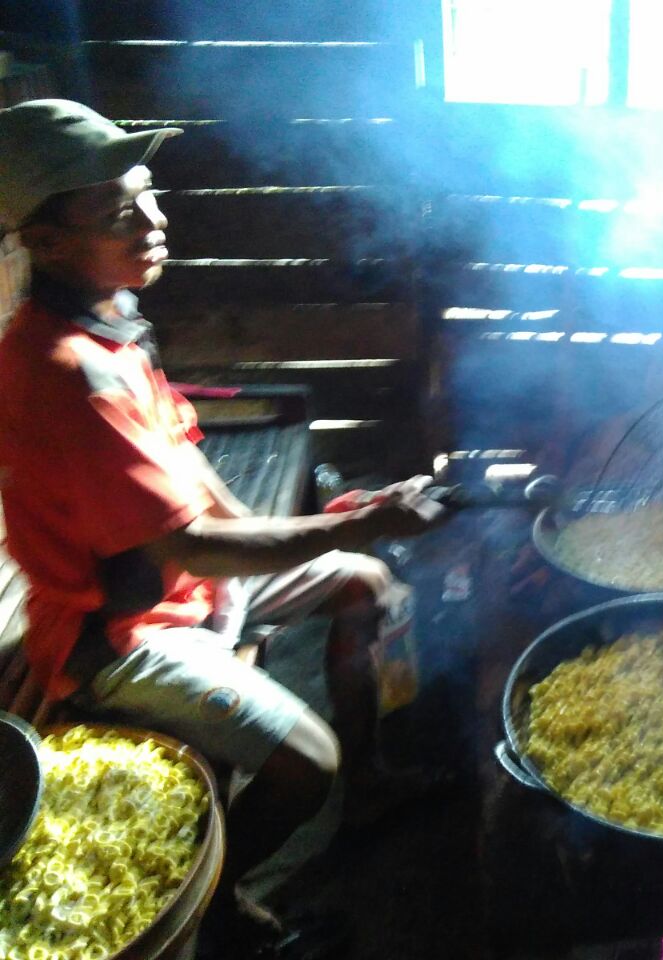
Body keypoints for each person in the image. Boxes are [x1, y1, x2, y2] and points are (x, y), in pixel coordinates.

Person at [0, 100, 450, 956]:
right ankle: (221, 903)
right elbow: (194, 546)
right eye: (120, 213)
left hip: (184, 585)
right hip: (118, 633)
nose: (154, 222)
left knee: (366, 583)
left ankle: (372, 783)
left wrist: (326, 524)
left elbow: (192, 471)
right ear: (48, 242)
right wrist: (351, 527)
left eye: (150, 195)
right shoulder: (65, 374)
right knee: (305, 762)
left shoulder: (110, 324)